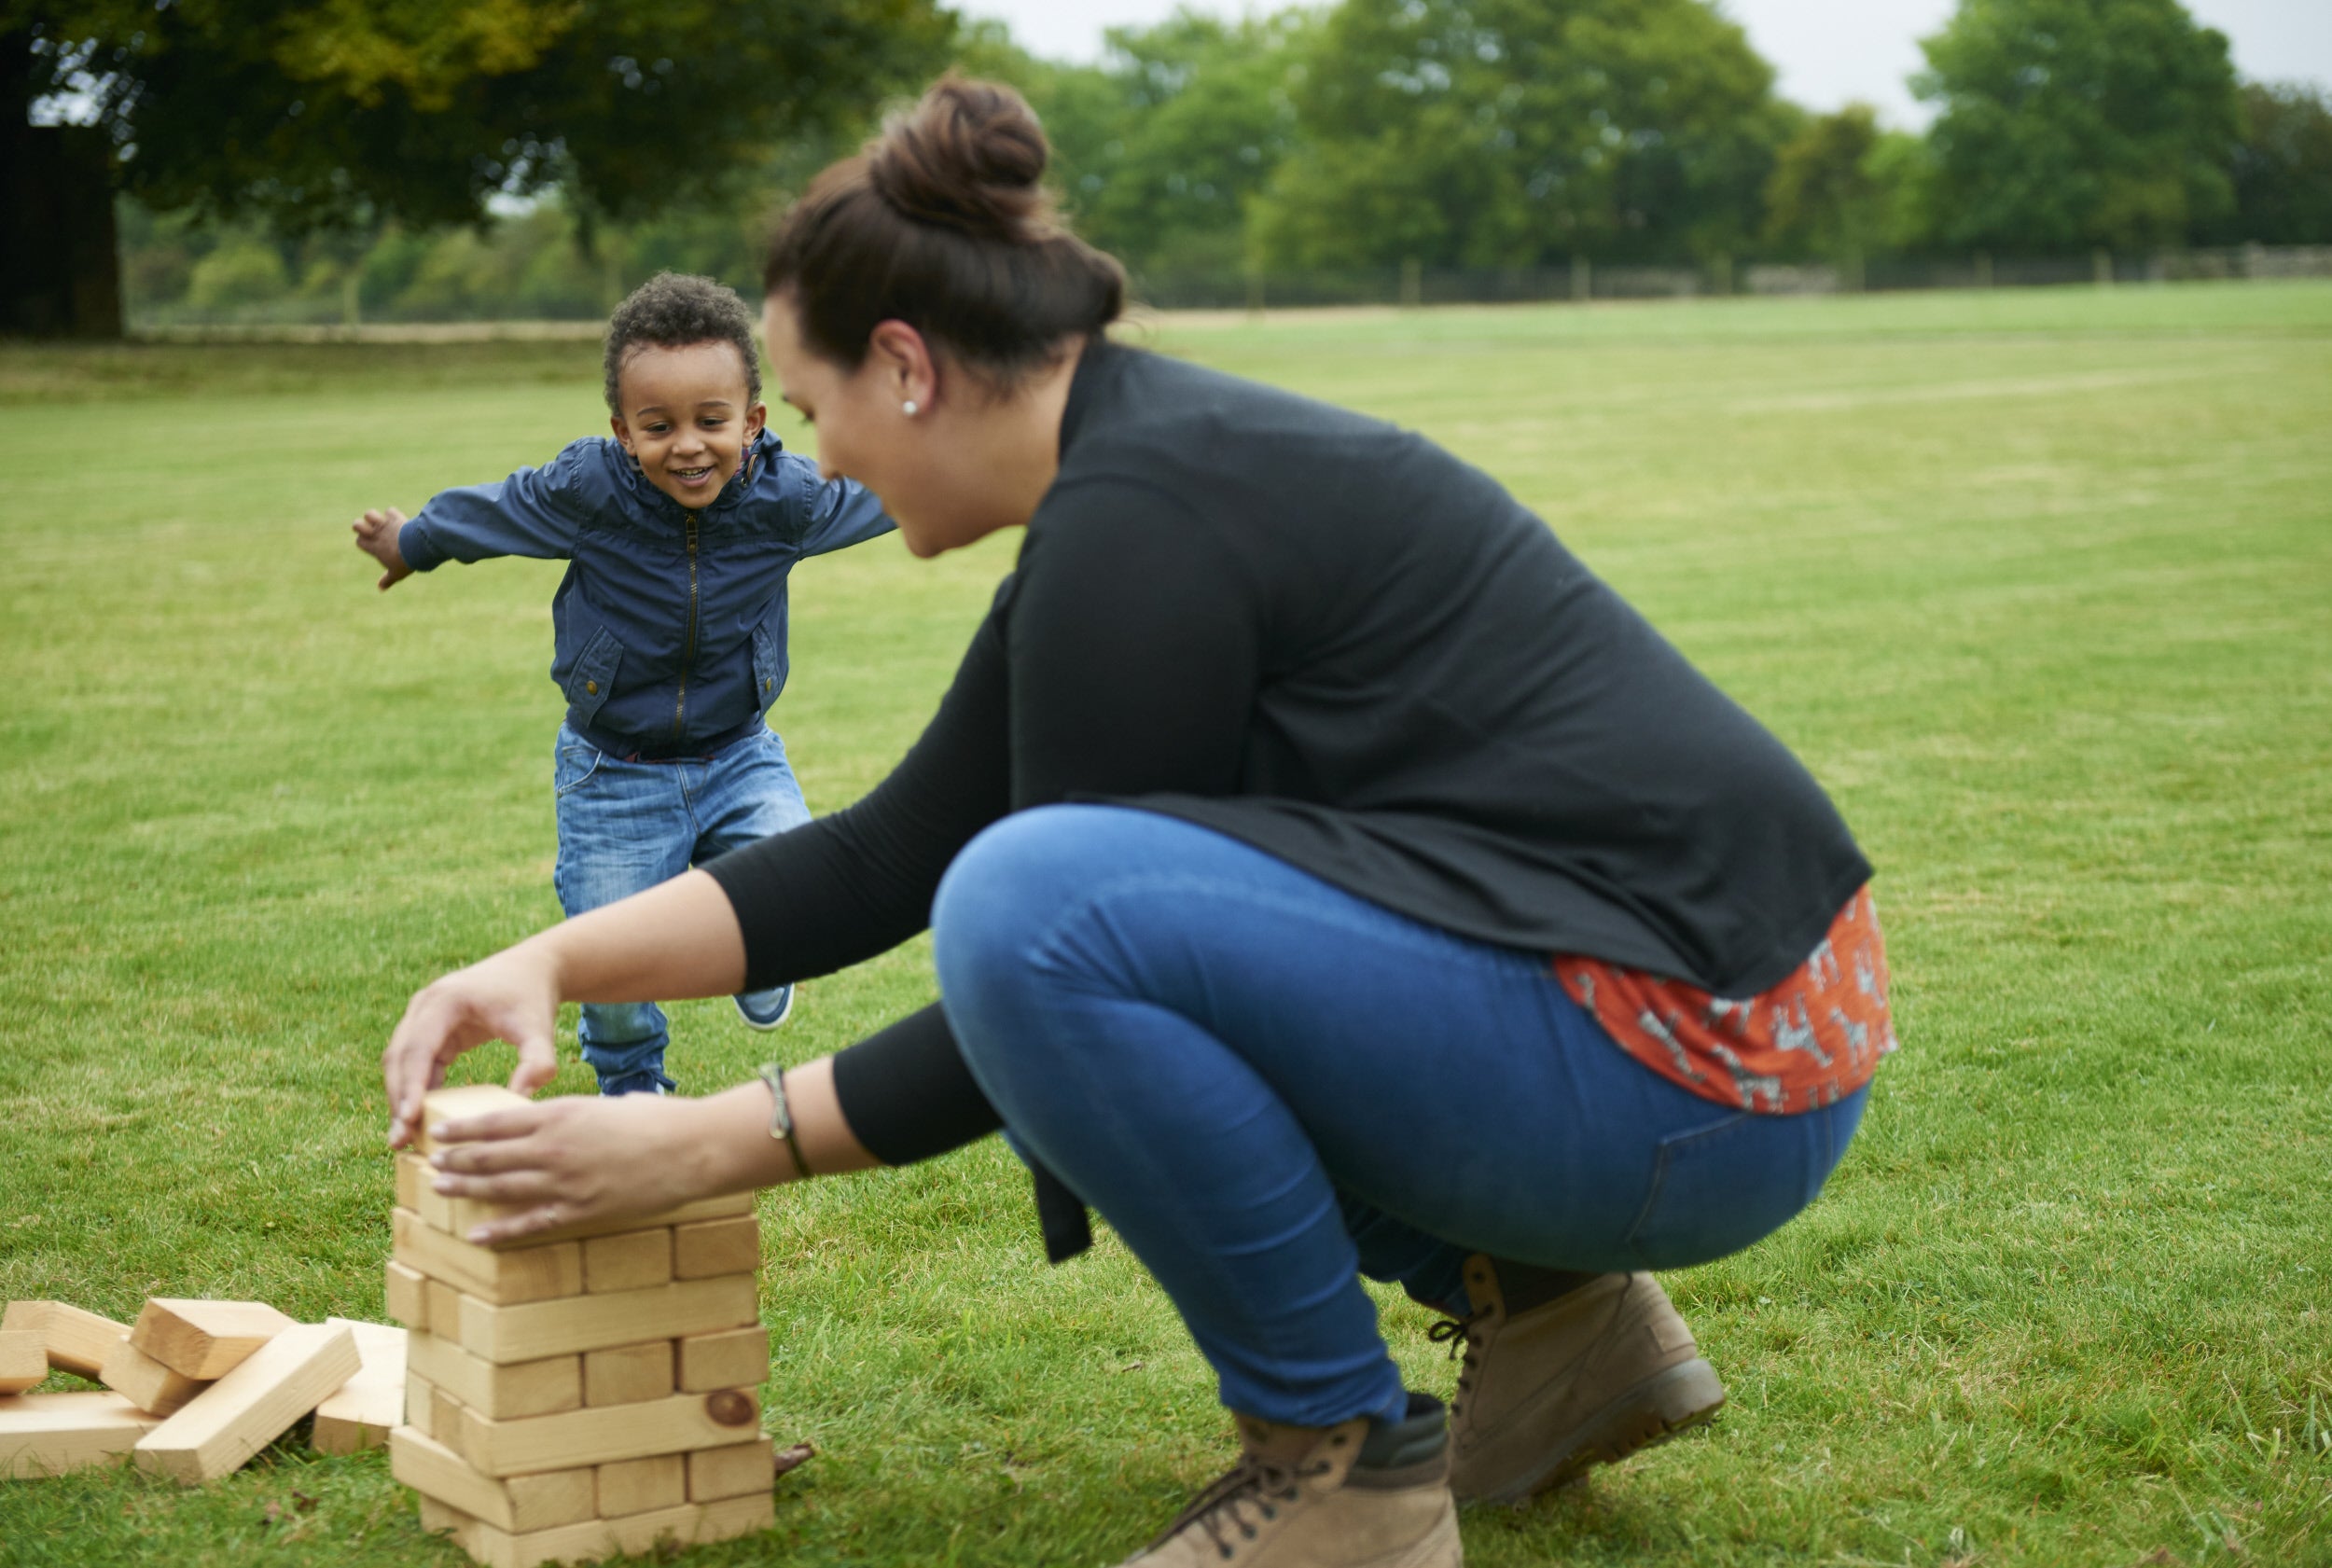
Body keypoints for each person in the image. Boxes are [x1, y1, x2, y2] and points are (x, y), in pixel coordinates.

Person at [382, 79, 1895, 1568]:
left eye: (811, 404)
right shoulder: (1128, 489)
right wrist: (554, 962)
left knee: (1031, 907)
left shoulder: (1142, 519)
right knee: (1029, 895)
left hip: (1700, 1072)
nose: (816, 454)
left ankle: (1338, 1471)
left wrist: (693, 1144)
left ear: (904, 365)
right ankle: (1564, 1318)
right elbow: (884, 854)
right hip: (1736, 1046)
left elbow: (1030, 965)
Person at [353, 272, 893, 1097]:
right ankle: (634, 1090)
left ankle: (766, 963)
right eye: (658, 425)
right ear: (621, 430)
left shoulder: (787, 501)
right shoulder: (590, 492)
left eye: (712, 422)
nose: (687, 445)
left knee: (797, 887)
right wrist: (413, 539)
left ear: (752, 421)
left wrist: (1000, 468)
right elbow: (498, 512)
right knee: (610, 963)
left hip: (740, 756)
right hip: (613, 775)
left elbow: (888, 492)